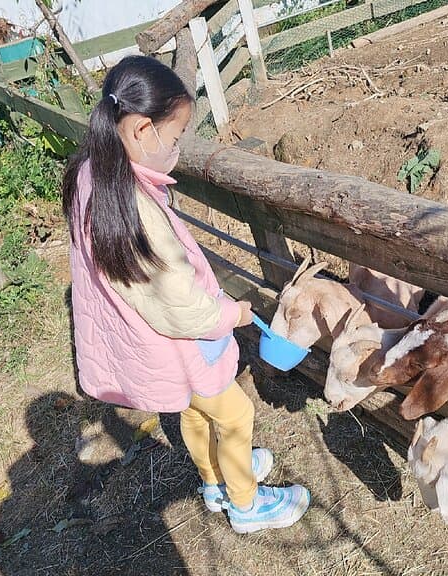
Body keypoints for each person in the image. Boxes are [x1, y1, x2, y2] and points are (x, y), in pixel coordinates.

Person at [61, 55, 310, 533]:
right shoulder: (133, 208)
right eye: (173, 138)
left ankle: (215, 480)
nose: (176, 148)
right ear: (139, 131)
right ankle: (246, 504)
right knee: (236, 414)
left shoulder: (93, 173)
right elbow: (179, 306)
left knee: (196, 413)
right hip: (180, 340)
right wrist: (231, 314)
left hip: (149, 340)